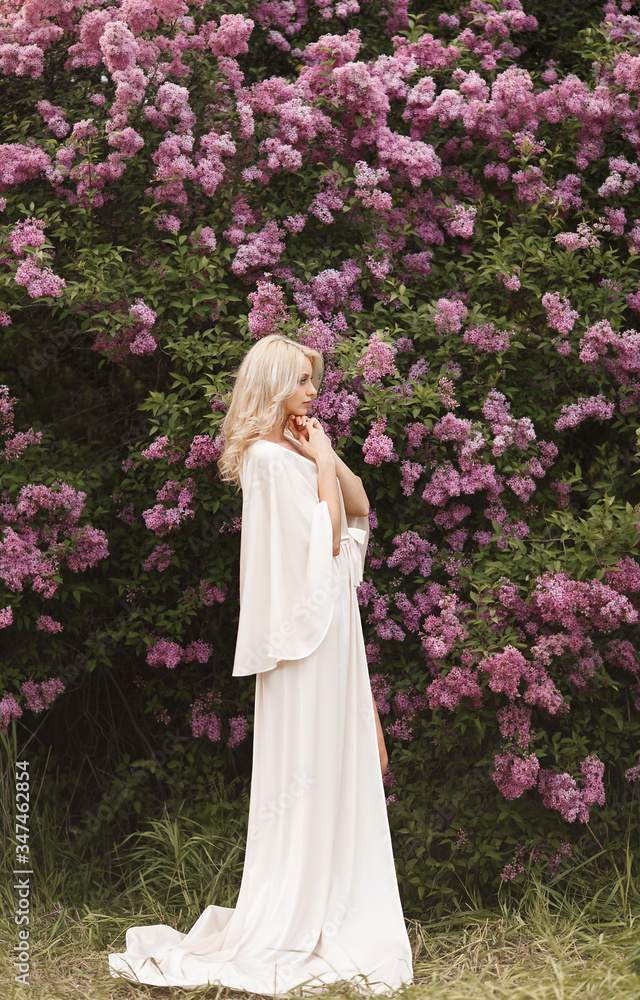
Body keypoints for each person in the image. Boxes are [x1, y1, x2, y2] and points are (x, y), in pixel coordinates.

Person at [108, 333, 413, 995]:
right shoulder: (268, 462)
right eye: (302, 381)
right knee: (309, 762)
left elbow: (357, 506)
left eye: (313, 379)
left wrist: (327, 457)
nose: (313, 392)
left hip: (331, 629)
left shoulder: (298, 452)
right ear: (274, 386)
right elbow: (329, 538)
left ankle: (338, 904)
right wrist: (325, 460)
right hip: (307, 639)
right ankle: (303, 912)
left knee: (338, 761)